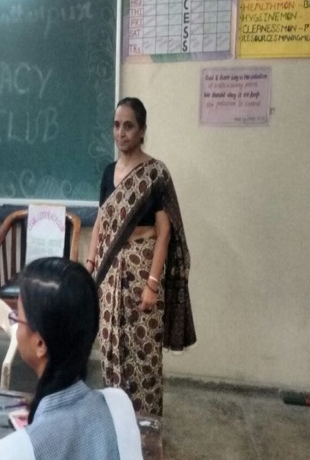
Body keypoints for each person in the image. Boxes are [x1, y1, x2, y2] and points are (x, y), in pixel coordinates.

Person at [85, 97, 195, 416]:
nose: (121, 133)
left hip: (141, 268)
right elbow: (101, 222)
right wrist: (91, 265)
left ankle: (147, 432)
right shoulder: (108, 173)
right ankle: (118, 427)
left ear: (142, 130)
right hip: (109, 276)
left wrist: (152, 283)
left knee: (143, 356)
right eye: (117, 126)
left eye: (129, 126)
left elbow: (164, 232)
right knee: (111, 351)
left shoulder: (155, 174)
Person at [0, 258, 143, 460]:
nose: (15, 326)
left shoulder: (12, 452)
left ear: (40, 344)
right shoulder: (119, 406)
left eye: (17, 317)